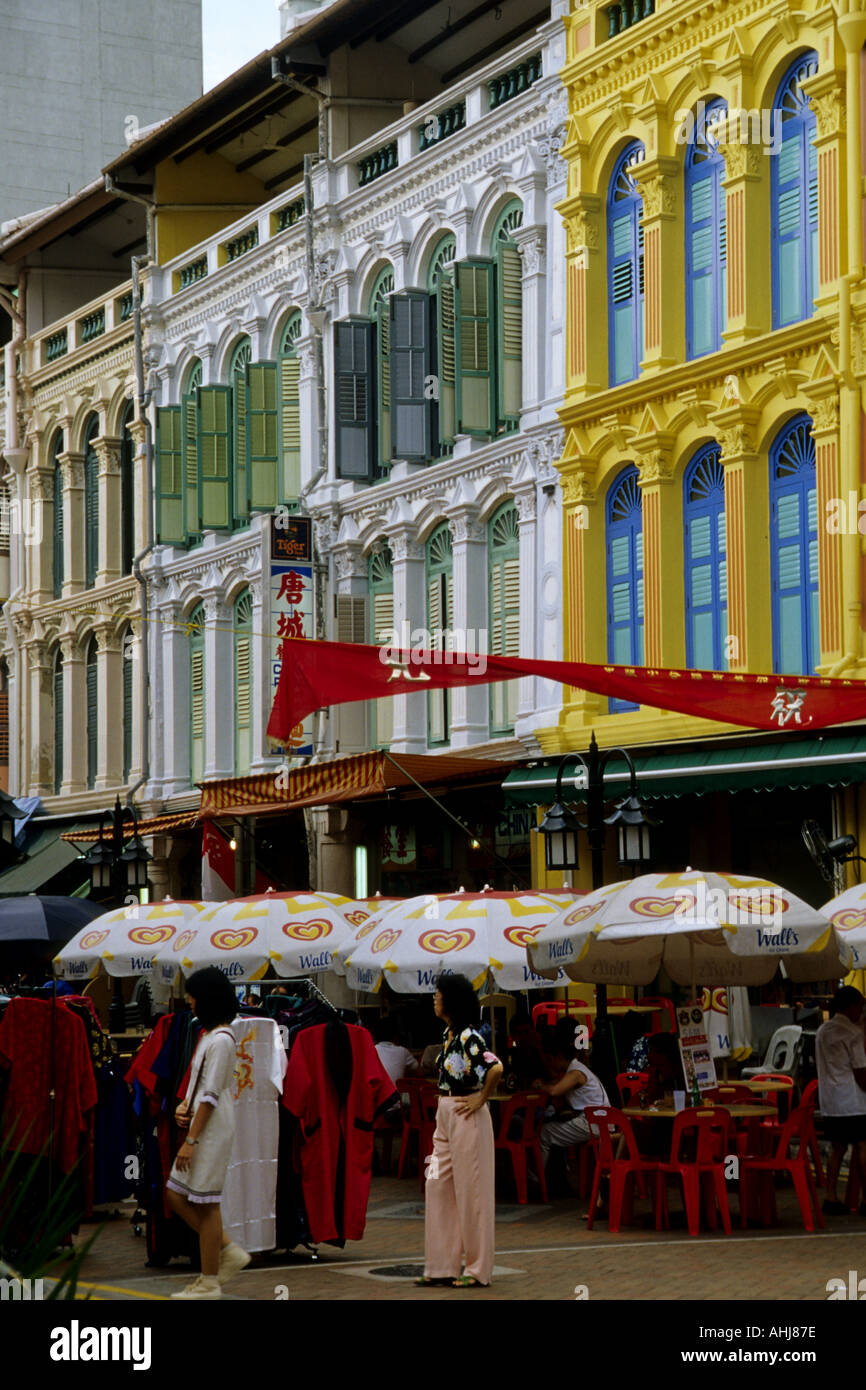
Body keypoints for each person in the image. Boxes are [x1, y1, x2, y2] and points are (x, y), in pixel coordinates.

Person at [166, 967, 250, 1299]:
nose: (189, 1001)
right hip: (203, 1125)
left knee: (206, 1202)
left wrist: (191, 1139)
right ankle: (225, 1253)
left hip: (211, 1129)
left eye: (193, 995)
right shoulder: (210, 1037)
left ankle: (210, 1279)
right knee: (179, 1194)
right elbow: (201, 1087)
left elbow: (212, 1094)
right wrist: (182, 1108)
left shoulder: (223, 1040)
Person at [418, 975, 503, 1289]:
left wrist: (482, 1097)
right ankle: (441, 1266)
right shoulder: (449, 1034)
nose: (435, 999)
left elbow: (495, 1068)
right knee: (436, 1184)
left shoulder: (469, 1037)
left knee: (473, 1193)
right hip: (446, 1113)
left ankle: (478, 1269)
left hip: (467, 1114)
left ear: (451, 1000)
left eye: (438, 994)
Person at [815, 984, 866, 1216]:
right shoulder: (854, 1034)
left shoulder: (822, 1031)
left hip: (830, 1101)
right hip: (853, 1100)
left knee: (837, 1147)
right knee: (863, 1145)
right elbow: (861, 1071)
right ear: (852, 1006)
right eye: (860, 1007)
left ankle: (831, 1196)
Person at [534, 1036, 610, 1175]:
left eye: (550, 1060)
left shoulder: (575, 1072)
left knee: (544, 1132)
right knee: (551, 1124)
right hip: (598, 1121)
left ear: (558, 1056)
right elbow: (556, 1083)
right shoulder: (574, 1069)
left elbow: (554, 1091)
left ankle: (538, 1179)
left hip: (595, 1123)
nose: (550, 1065)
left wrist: (541, 1085)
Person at [373, 1015, 419, 1087]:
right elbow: (417, 1069)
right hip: (397, 1096)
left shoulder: (372, 1050)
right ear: (396, 1036)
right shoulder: (402, 1051)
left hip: (377, 1096)